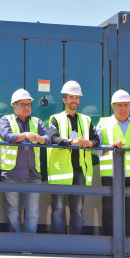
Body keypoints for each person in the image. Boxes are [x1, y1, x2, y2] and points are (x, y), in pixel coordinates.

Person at [48, 81, 100, 235]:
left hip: (80, 171)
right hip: (61, 172)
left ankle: (76, 242)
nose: (74, 101)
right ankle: (57, 243)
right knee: (58, 209)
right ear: (64, 99)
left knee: (77, 210)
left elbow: (97, 139)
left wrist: (89, 143)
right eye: (71, 97)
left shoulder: (86, 119)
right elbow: (53, 137)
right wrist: (71, 142)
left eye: (77, 98)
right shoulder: (55, 118)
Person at [0, 88, 52, 234]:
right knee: (12, 212)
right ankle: (15, 245)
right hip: (11, 175)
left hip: (33, 175)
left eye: (29, 104)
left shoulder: (37, 121)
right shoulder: (5, 119)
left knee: (33, 213)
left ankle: (29, 246)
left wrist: (40, 139)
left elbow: (48, 138)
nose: (27, 107)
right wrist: (25, 135)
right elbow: (7, 136)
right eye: (23, 104)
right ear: (14, 106)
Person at [96, 89, 130, 237]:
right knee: (109, 210)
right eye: (119, 105)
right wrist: (110, 147)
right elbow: (95, 149)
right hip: (110, 174)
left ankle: (126, 242)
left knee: (128, 211)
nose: (123, 109)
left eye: (126, 105)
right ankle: (109, 242)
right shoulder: (103, 123)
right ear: (113, 107)